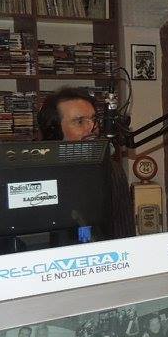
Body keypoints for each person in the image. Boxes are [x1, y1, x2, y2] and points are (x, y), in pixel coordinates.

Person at [37, 86, 135, 239]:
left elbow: (124, 233)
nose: (92, 128)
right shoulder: (37, 173)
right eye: (80, 121)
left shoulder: (111, 170)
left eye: (94, 119)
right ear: (54, 131)